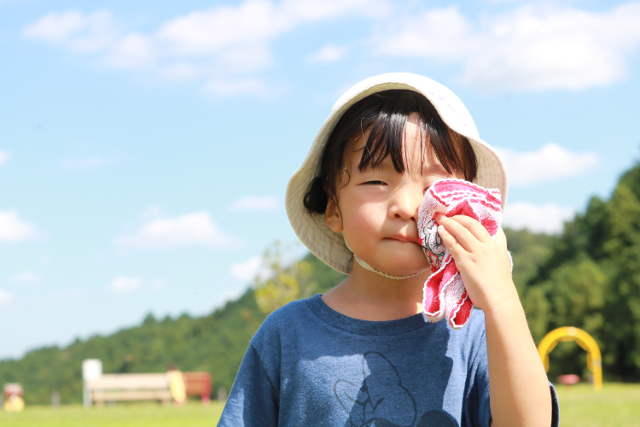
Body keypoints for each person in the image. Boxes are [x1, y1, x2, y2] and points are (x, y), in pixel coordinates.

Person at [218, 73, 560, 426]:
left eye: (434, 186)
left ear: (465, 204)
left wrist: (501, 299)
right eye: (377, 181)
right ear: (333, 207)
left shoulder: (475, 333)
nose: (407, 206)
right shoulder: (287, 335)